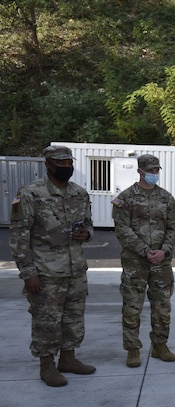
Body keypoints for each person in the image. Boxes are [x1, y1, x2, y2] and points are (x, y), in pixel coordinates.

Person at [9, 144, 97, 387]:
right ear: (48, 165)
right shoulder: (30, 194)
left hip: (76, 269)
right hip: (46, 271)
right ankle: (46, 365)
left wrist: (86, 235)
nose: (66, 168)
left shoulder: (79, 193)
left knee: (73, 319)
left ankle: (68, 358)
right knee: (46, 321)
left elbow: (89, 224)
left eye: (69, 164)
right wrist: (28, 273)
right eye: (60, 164)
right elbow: (19, 236)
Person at [112, 154, 175, 368]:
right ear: (140, 171)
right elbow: (122, 229)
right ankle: (133, 349)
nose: (154, 174)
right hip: (135, 262)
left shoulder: (166, 199)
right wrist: (144, 250)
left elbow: (173, 227)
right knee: (132, 306)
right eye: (150, 170)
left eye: (157, 170)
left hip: (162, 262)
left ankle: (160, 345)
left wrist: (164, 251)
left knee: (162, 306)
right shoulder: (126, 198)